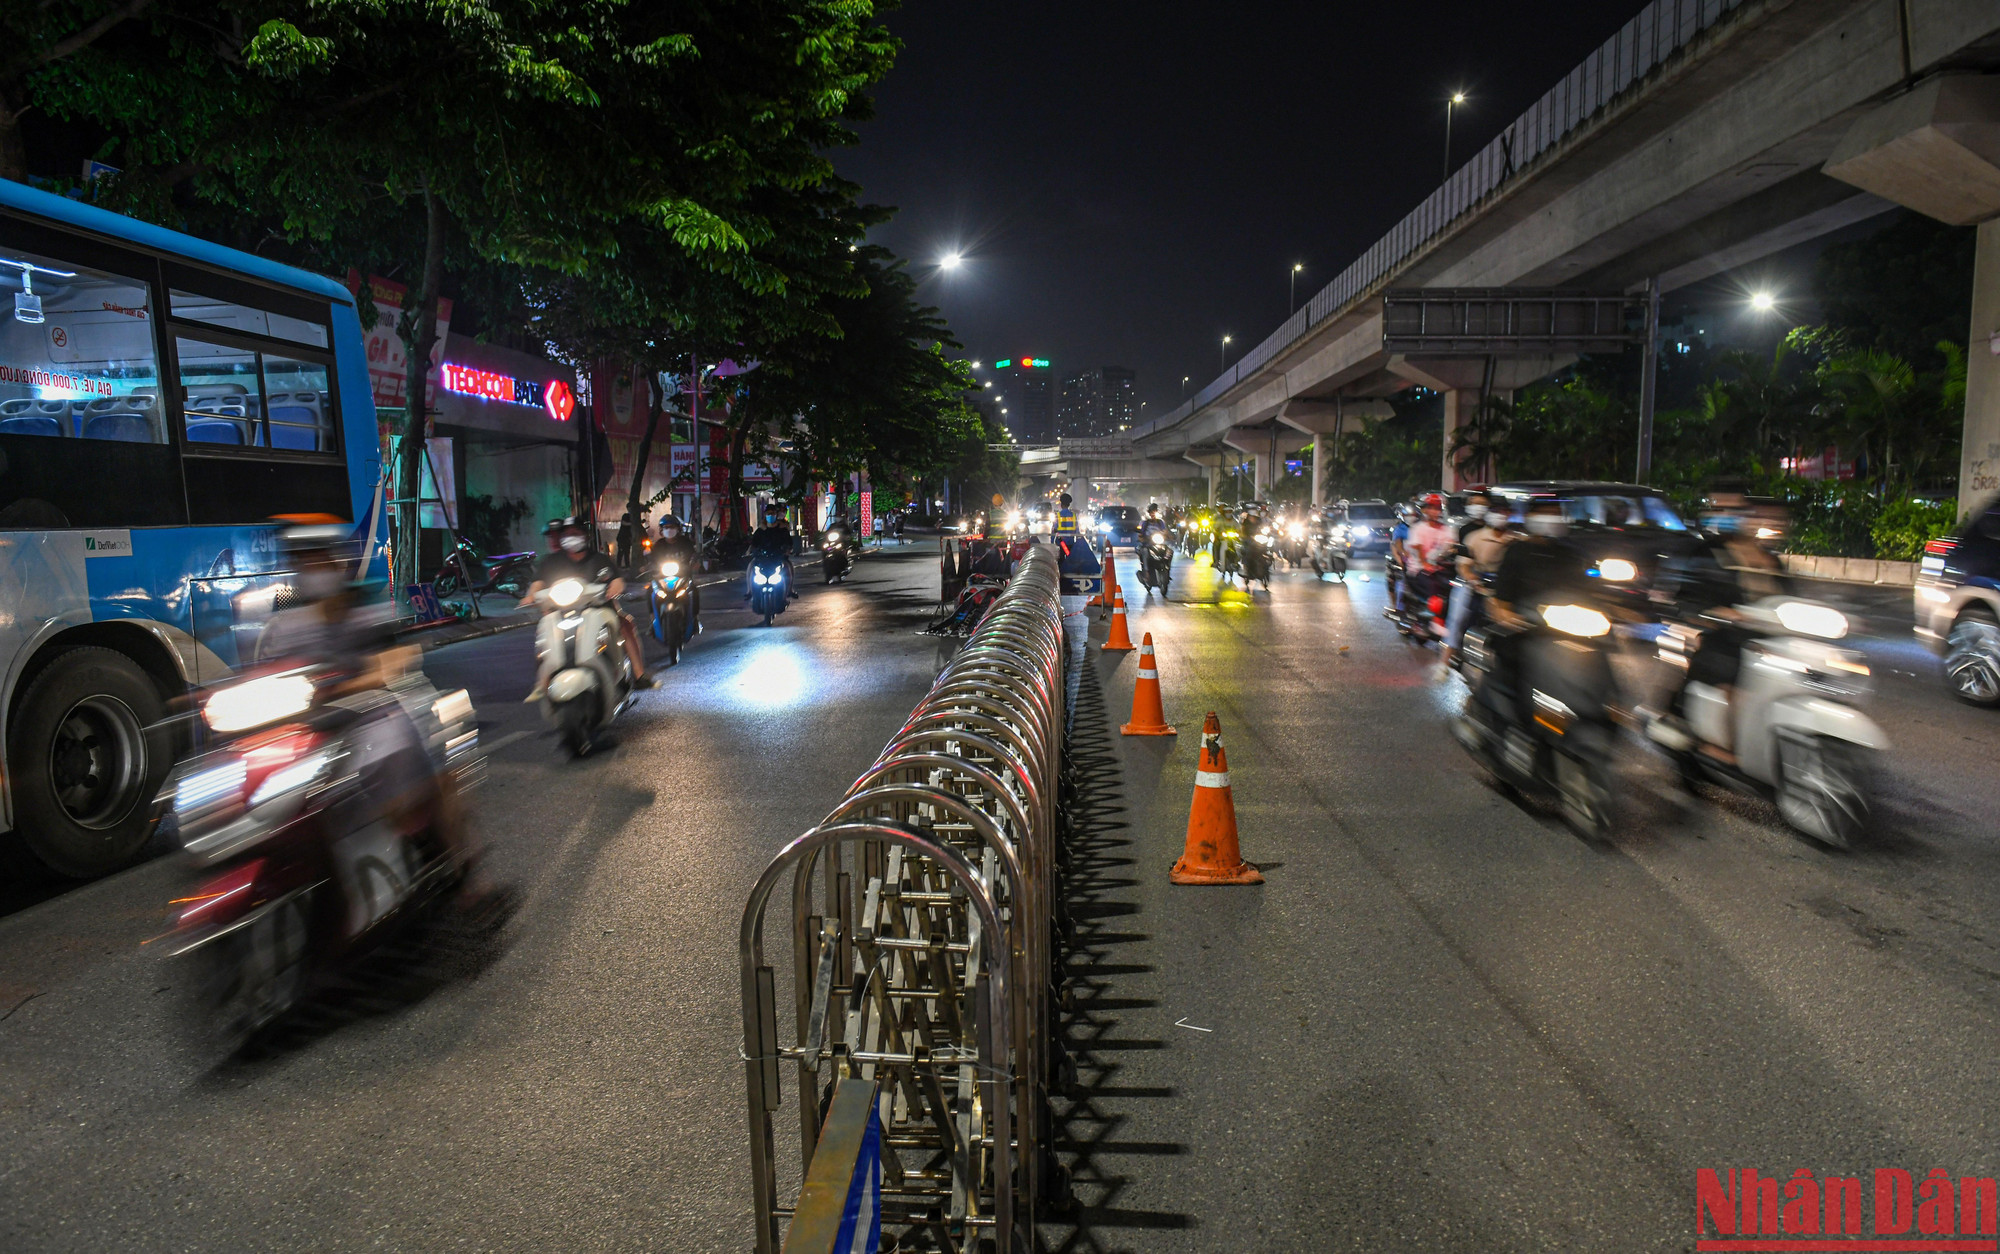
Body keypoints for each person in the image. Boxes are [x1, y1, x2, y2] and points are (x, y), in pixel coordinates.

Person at [1649, 489, 1790, 761]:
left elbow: (1792, 600)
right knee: (1730, 676)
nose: (1729, 517)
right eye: (1720, 509)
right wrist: (1715, 614)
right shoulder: (1706, 554)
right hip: (1725, 641)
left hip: (1771, 642)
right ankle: (1727, 747)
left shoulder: (1773, 561)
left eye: (1735, 511)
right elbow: (1687, 597)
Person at [522, 517, 654, 696]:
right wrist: (530, 596)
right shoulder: (551, 562)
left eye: (575, 534)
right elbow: (537, 583)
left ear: (585, 536)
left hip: (599, 610)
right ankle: (543, 682)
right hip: (561, 611)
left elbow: (616, 580)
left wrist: (615, 587)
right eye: (567, 534)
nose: (571, 537)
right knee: (543, 635)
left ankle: (639, 675)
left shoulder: (599, 560)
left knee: (625, 624)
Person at [1443, 493, 1517, 668]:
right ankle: (1445, 660)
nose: (1500, 514)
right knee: (1458, 617)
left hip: (1503, 587)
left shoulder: (1515, 540)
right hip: (1475, 584)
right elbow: (1464, 566)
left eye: (1504, 511)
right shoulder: (1474, 537)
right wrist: (1474, 580)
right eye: (1496, 510)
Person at [1402, 492, 1457, 622]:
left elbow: (1452, 546)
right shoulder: (1418, 529)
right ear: (1425, 510)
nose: (1434, 511)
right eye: (1431, 508)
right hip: (1420, 569)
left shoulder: (1446, 529)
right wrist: (1426, 565)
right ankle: (1435, 618)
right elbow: (1418, 551)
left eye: (1437, 508)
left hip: (1441, 568)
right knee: (1434, 585)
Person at [747, 503, 799, 599]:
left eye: (773, 513)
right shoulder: (761, 530)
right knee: (751, 566)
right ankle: (750, 591)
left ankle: (789, 590)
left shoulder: (782, 530)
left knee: (788, 566)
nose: (770, 516)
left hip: (778, 557)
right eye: (768, 513)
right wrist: (750, 551)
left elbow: (789, 543)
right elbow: (754, 544)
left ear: (776, 514)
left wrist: (787, 550)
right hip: (763, 558)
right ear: (765, 515)